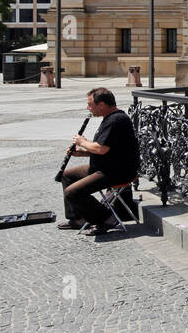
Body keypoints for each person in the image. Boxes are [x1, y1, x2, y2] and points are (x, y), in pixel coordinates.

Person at [59, 87, 139, 236]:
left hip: (117, 171)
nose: (88, 108)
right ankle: (78, 218)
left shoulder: (116, 120)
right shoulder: (109, 118)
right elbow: (106, 149)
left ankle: (106, 218)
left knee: (73, 192)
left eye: (90, 104)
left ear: (101, 104)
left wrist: (82, 142)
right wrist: (81, 153)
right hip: (105, 166)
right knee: (67, 175)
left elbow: (101, 149)